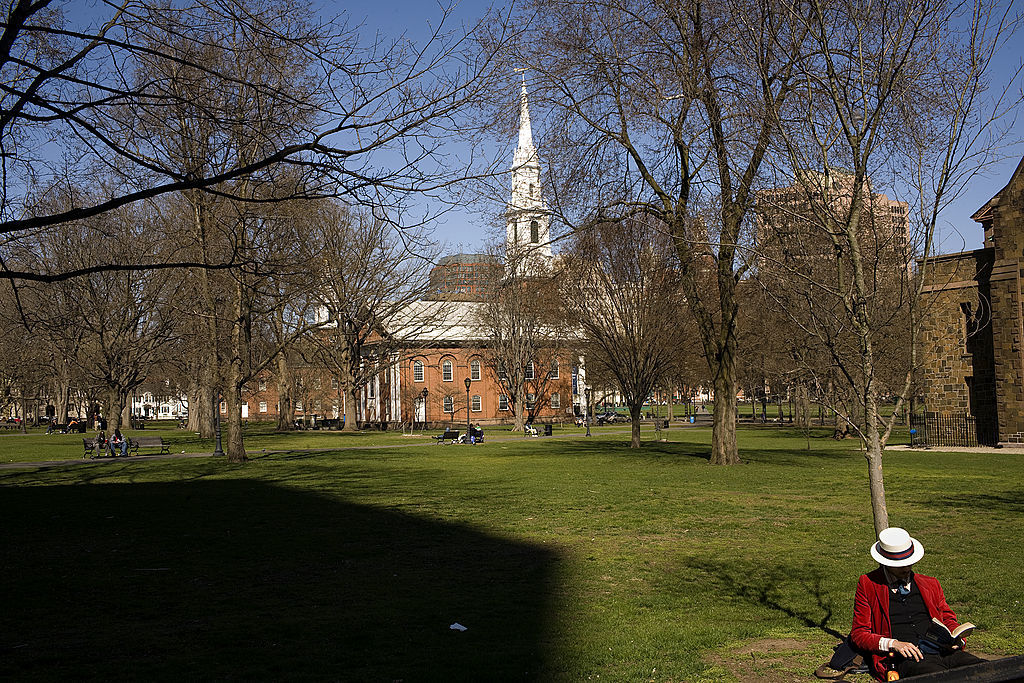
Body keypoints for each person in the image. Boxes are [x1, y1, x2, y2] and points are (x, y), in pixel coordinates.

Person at [851, 527, 984, 679]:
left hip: (943, 650)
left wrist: (957, 639)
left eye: (910, 562)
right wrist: (894, 643)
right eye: (901, 565)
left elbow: (948, 618)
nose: (907, 568)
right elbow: (859, 634)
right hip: (907, 658)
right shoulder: (869, 584)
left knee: (985, 669)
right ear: (886, 563)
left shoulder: (930, 583)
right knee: (938, 677)